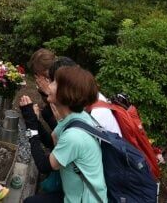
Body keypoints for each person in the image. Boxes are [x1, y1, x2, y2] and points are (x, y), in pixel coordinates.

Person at [23, 65, 108, 203]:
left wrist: (31, 125)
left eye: (54, 82)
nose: (49, 86)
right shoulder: (78, 117)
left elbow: (44, 165)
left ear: (66, 92)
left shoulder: (74, 136)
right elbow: (52, 143)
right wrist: (34, 121)